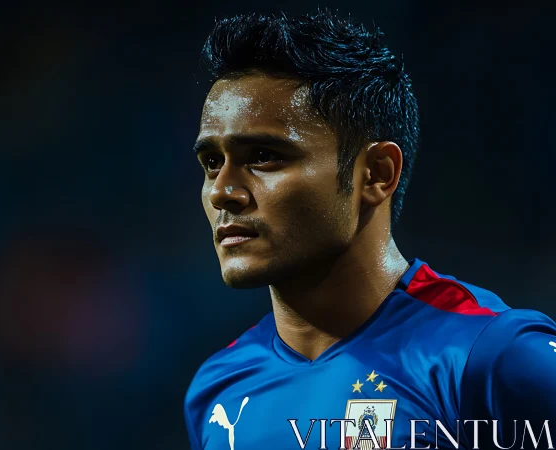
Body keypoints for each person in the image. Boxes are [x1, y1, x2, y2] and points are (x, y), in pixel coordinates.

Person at [184, 9, 556, 450]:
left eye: (264, 156)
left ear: (377, 174)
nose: (222, 191)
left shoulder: (495, 359)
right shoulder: (217, 390)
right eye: (212, 162)